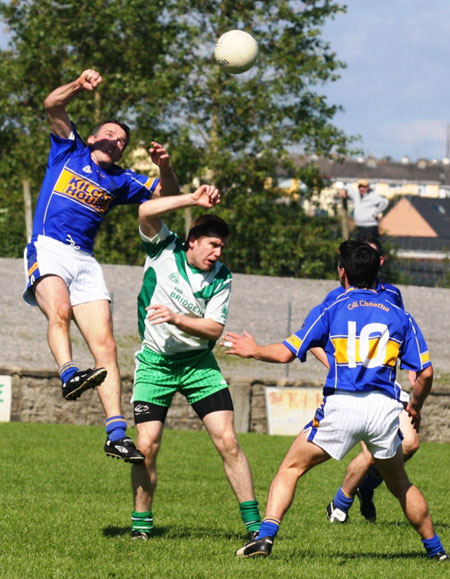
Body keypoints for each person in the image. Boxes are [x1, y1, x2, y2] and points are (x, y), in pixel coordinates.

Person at [223, 240, 448, 562]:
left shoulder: (331, 307)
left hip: (342, 404)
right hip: (384, 408)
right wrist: (414, 407)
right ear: (378, 270)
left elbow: (288, 352)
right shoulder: (401, 315)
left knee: (290, 468)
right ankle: (436, 551)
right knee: (401, 484)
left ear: (342, 271)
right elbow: (425, 373)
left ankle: (265, 538)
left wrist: (254, 349)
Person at [23, 69, 179, 463]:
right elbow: (52, 104)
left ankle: (115, 432)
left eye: (123, 140)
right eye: (110, 133)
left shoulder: (122, 179)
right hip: (50, 248)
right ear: (92, 137)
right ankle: (67, 373)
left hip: (86, 261)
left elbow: (168, 197)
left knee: (106, 346)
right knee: (58, 310)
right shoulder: (68, 150)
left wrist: (164, 165)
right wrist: (78, 85)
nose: (117, 140)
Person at [129, 185, 261, 540]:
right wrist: (191, 199)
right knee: (147, 445)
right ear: (192, 241)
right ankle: (141, 526)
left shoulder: (222, 277)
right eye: (212, 245)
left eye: (222, 248)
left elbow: (214, 329)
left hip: (199, 366)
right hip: (155, 365)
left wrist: (175, 317)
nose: (218, 253)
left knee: (228, 441)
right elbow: (145, 211)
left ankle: (254, 527)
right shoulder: (163, 249)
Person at [322, 235, 419, 523]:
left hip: (386, 386)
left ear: (379, 262)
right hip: (352, 388)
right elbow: (314, 340)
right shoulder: (337, 299)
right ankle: (340, 505)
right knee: (372, 450)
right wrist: (337, 365)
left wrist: (411, 364)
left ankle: (367, 485)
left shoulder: (392, 295)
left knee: (410, 443)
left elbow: (398, 334)